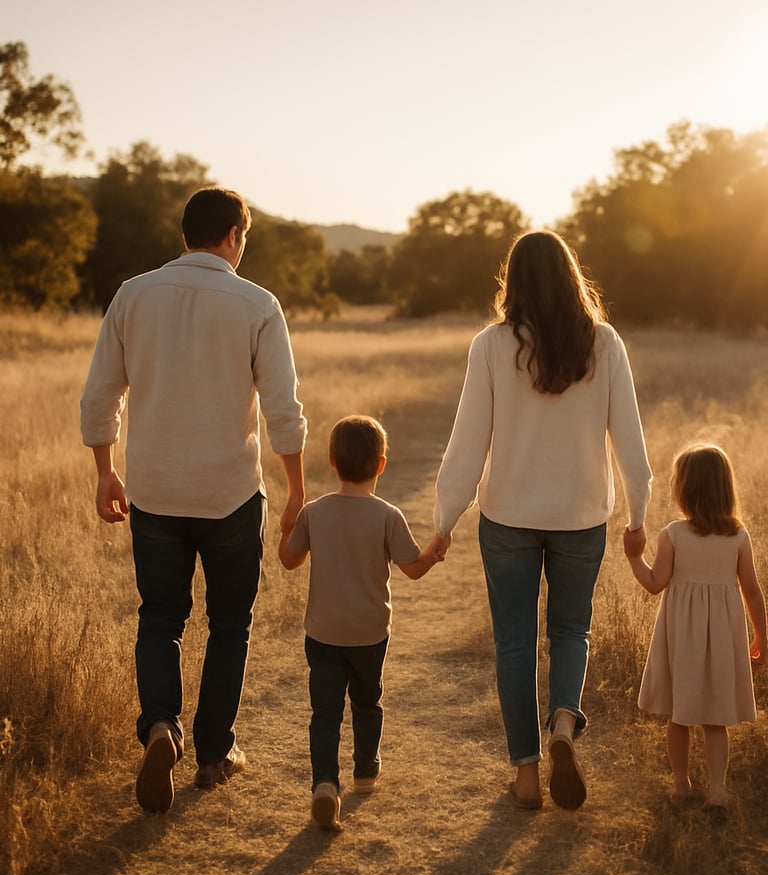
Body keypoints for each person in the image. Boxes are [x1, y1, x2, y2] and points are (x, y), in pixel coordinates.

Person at [80, 187, 307, 814]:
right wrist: (295, 487)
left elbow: (100, 395)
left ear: (186, 235)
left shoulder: (132, 294)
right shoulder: (258, 304)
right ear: (234, 235)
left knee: (161, 617)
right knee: (230, 622)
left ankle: (159, 726)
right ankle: (213, 753)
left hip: (153, 490)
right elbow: (284, 409)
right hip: (231, 493)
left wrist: (106, 471)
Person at [433, 230, 652, 811]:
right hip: (582, 516)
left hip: (507, 514)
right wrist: (639, 513)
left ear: (515, 281)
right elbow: (630, 440)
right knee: (571, 630)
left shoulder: (490, 345)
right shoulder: (604, 343)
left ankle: (527, 777)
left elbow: (466, 444)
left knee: (513, 643)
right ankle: (561, 726)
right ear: (570, 276)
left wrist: (443, 520)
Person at [278, 415, 443, 831]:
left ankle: (324, 784)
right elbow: (413, 569)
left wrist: (286, 530)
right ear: (382, 464)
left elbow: (289, 560)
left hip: (323, 633)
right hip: (370, 635)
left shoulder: (314, 512)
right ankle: (365, 771)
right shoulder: (388, 515)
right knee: (368, 703)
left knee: (325, 713)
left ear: (332, 461)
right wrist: (437, 548)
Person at [623, 444, 766, 819]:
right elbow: (752, 590)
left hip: (682, 638)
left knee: (680, 716)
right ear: (724, 489)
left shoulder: (673, 535)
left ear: (684, 490)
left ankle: (681, 785)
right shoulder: (738, 536)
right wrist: (761, 637)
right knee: (715, 718)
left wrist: (634, 557)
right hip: (723, 637)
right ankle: (717, 791)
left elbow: (655, 583)